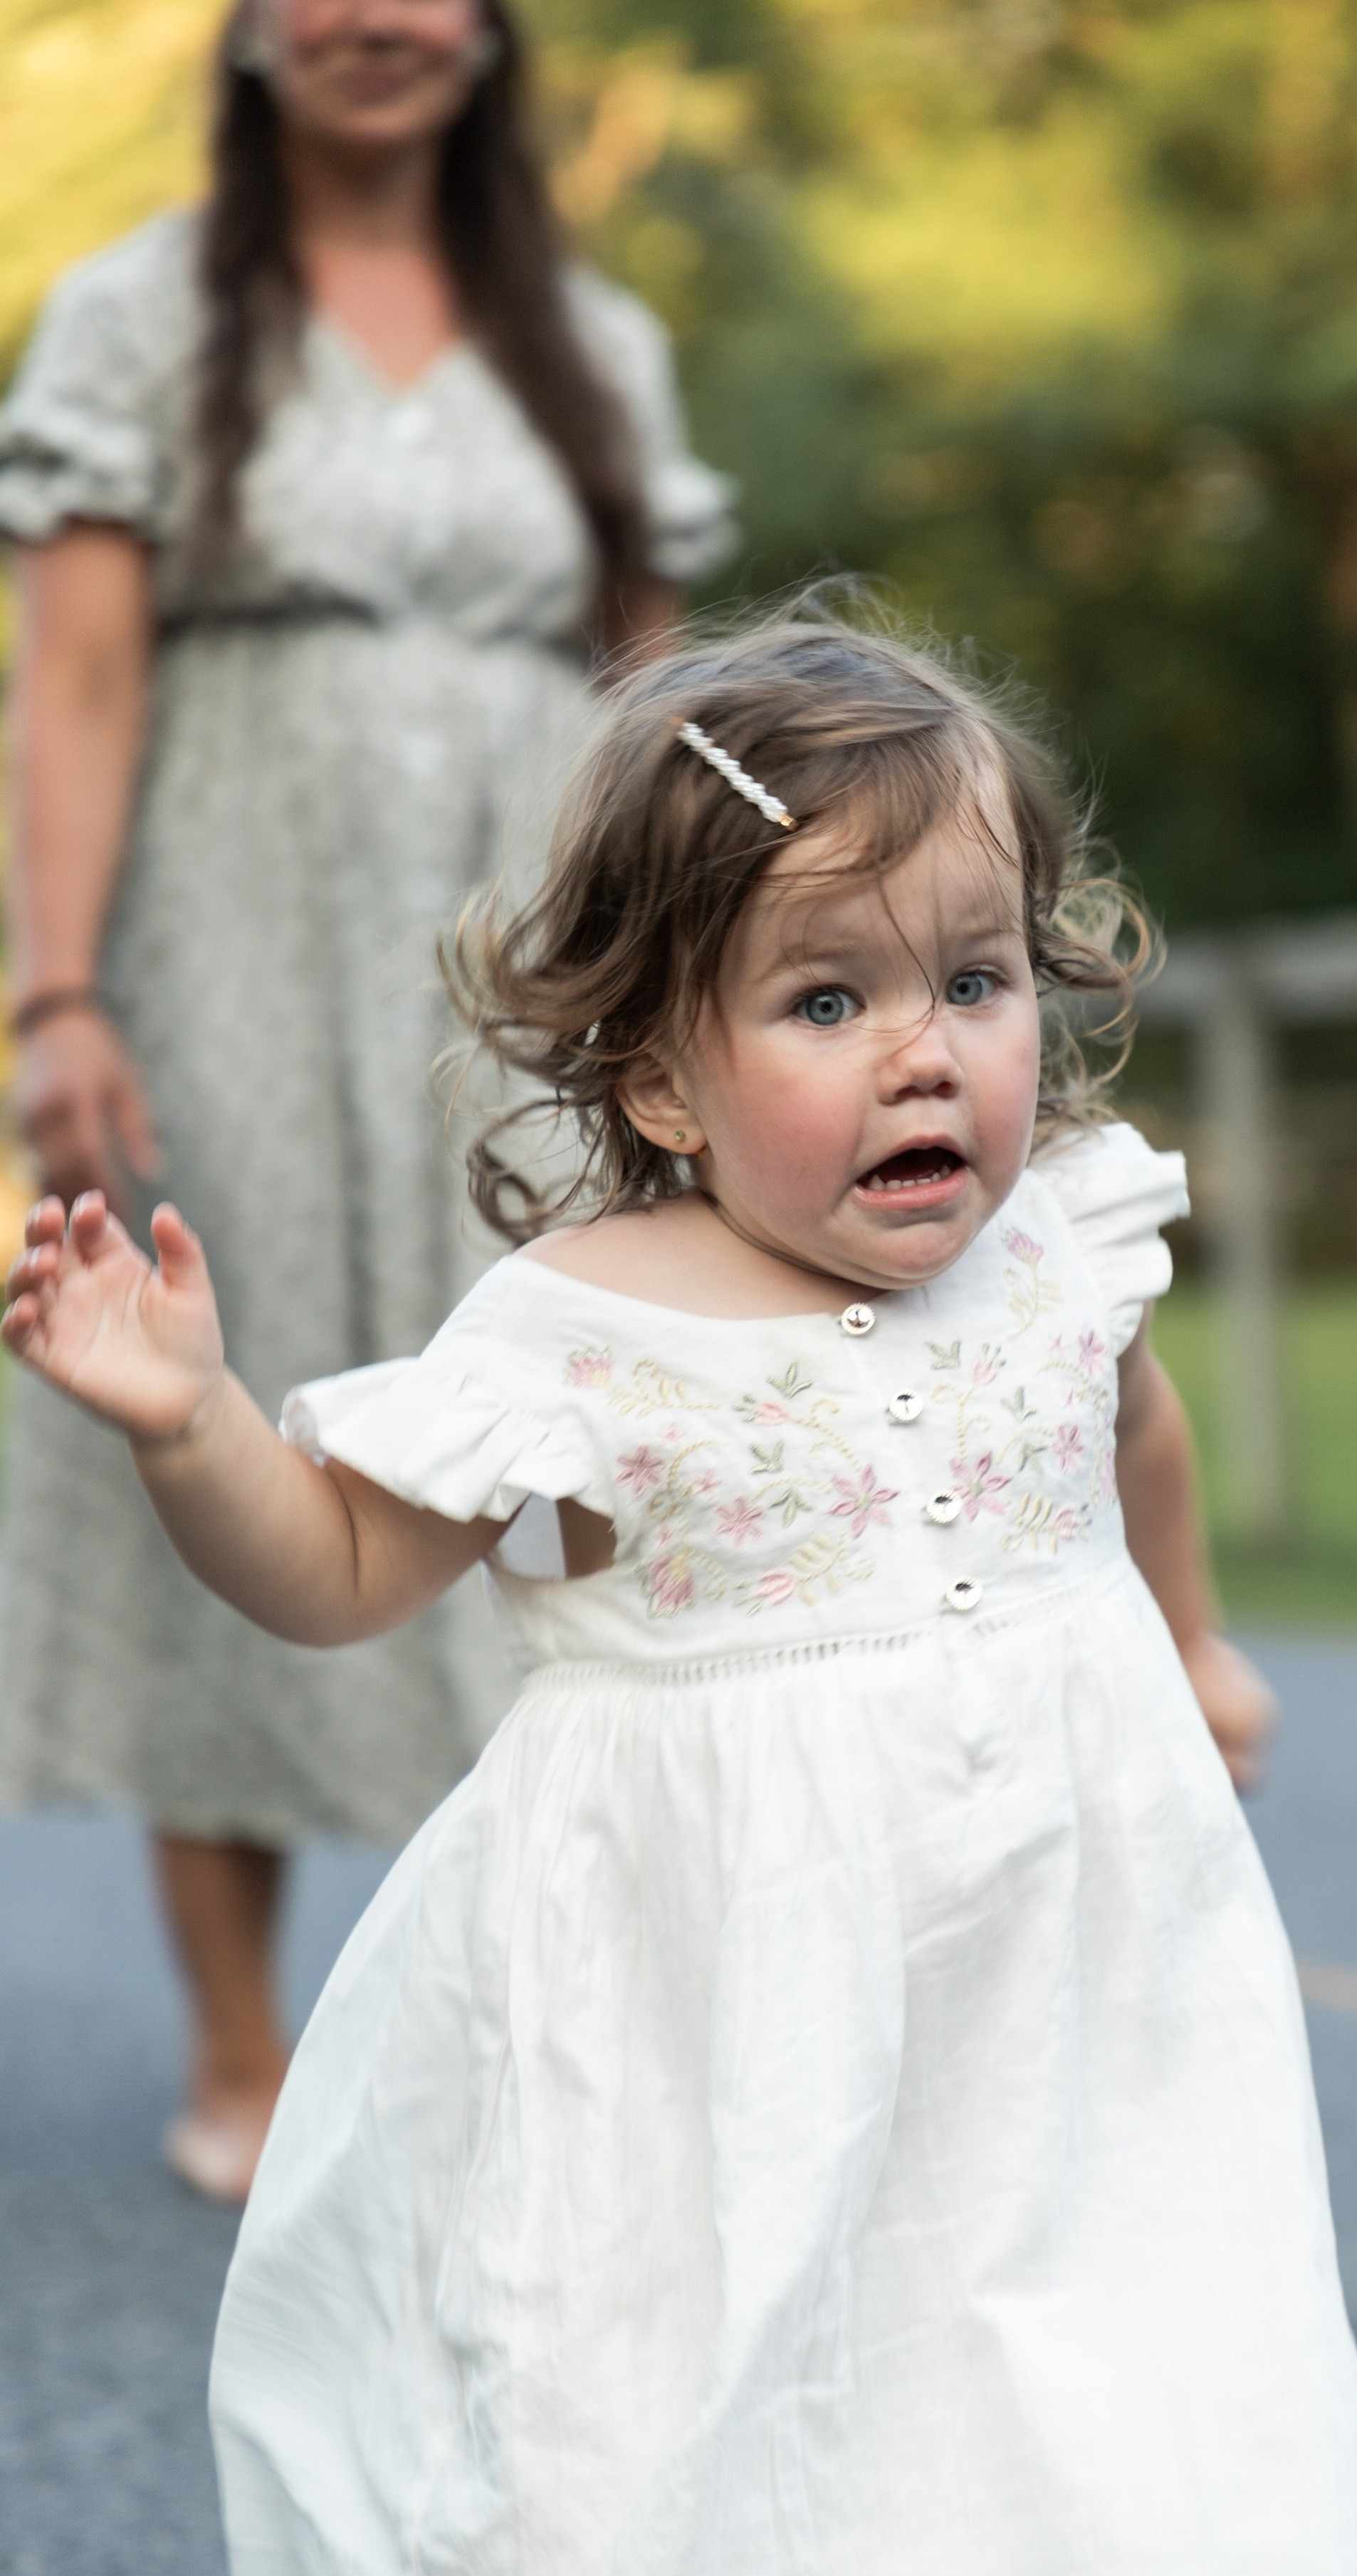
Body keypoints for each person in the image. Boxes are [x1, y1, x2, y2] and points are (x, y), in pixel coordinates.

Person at [3, 614, 1357, 2576]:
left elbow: (1136, 1430)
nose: (930, 1052)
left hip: (1064, 1984)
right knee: (695, 2412)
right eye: (831, 998)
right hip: (709, 1999)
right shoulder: (581, 1325)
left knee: (1105, 2367)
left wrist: (1188, 1644)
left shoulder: (1061, 1245)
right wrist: (195, 1429)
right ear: (658, 1071)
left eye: (975, 979)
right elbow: (349, 1562)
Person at [0, 0, 735, 2201]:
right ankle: (245, 2044)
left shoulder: (588, 339)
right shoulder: (141, 313)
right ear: (242, 30)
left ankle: (559, 2005)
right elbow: (84, 672)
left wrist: (708, 971)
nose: (374, 19)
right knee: (244, 1405)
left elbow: (658, 698)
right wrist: (57, 994)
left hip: (529, 945)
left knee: (577, 1414)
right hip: (227, 924)